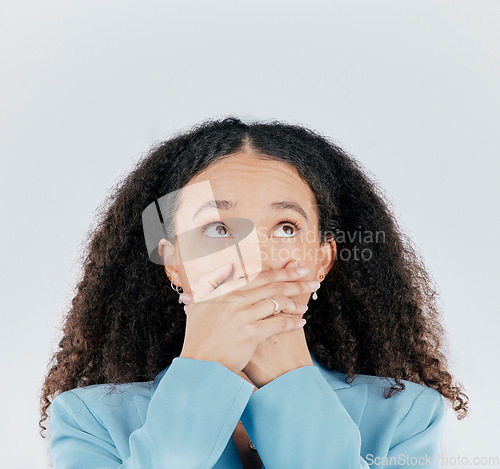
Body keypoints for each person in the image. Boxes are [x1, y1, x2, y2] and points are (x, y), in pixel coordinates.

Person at [40, 117, 469, 469]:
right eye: (218, 229)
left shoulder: (406, 414)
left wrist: (290, 379)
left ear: (322, 260)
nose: (253, 258)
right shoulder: (87, 419)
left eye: (285, 228)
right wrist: (206, 365)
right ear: (173, 262)